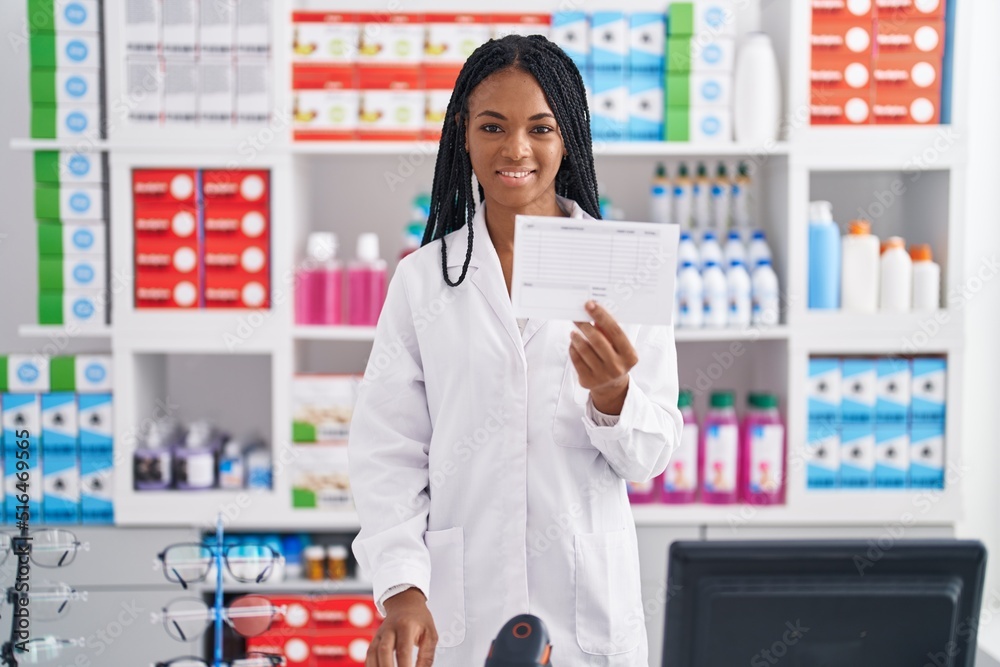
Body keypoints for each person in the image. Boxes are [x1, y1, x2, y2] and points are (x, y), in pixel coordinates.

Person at [348, 34, 682, 667]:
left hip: (589, 615)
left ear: (569, 137)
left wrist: (614, 397)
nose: (516, 149)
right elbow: (386, 451)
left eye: (541, 127)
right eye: (493, 126)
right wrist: (403, 589)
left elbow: (652, 454)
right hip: (464, 611)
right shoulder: (425, 279)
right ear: (463, 135)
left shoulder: (622, 268)